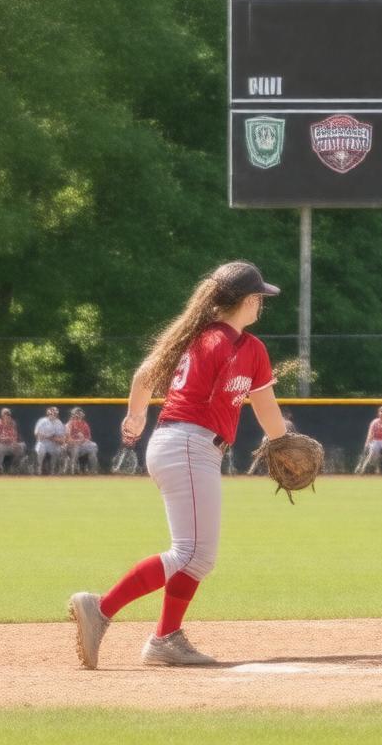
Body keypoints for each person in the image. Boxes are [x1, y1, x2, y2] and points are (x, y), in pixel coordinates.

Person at [68, 260, 286, 669]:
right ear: (245, 300)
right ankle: (101, 608)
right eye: (259, 297)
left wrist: (136, 416)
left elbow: (143, 376)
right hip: (188, 445)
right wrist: (283, 442)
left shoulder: (198, 336)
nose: (262, 304)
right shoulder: (241, 346)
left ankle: (165, 639)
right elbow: (267, 410)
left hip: (179, 444)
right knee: (191, 554)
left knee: (195, 554)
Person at [247, 408, 296, 474]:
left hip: (271, 442)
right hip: (280, 444)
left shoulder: (274, 422)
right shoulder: (288, 423)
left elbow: (265, 437)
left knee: (260, 457)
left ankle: (251, 472)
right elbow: (293, 438)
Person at [0, 407, 26, 472]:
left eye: (9, 414)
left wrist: (15, 443)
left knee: (23, 446)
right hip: (0, 445)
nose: (8, 416)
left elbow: (15, 435)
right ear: (2, 416)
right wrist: (3, 439)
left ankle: (14, 466)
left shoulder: (13, 423)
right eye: (6, 414)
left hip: (10, 445)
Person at [34, 406, 67, 474]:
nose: (53, 414)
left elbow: (62, 438)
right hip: (43, 443)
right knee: (41, 449)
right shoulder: (42, 421)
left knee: (59, 449)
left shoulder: (59, 422)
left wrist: (56, 439)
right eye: (51, 413)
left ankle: (53, 470)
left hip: (54, 444)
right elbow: (37, 435)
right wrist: (52, 437)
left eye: (55, 413)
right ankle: (39, 468)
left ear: (57, 414)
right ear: (48, 413)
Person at [65, 407, 99, 473]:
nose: (79, 415)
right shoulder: (69, 424)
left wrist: (84, 440)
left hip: (82, 445)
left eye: (80, 413)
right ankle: (73, 469)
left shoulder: (84, 424)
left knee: (93, 446)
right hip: (71, 446)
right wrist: (77, 441)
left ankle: (93, 469)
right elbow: (67, 439)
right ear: (73, 415)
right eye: (77, 413)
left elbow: (88, 437)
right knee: (76, 448)